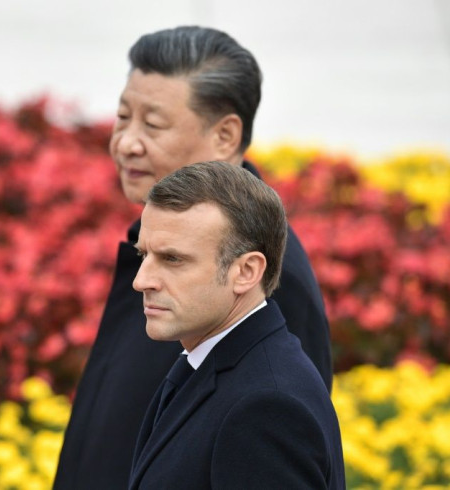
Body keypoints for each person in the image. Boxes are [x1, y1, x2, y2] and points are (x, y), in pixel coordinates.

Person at [53, 26, 332, 490]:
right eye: (123, 118)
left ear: (225, 136)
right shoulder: (155, 242)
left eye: (154, 125)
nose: (126, 143)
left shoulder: (271, 284)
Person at [129, 161, 344, 489]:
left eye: (173, 259)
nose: (141, 280)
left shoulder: (266, 408)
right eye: (143, 255)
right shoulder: (220, 363)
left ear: (246, 272)